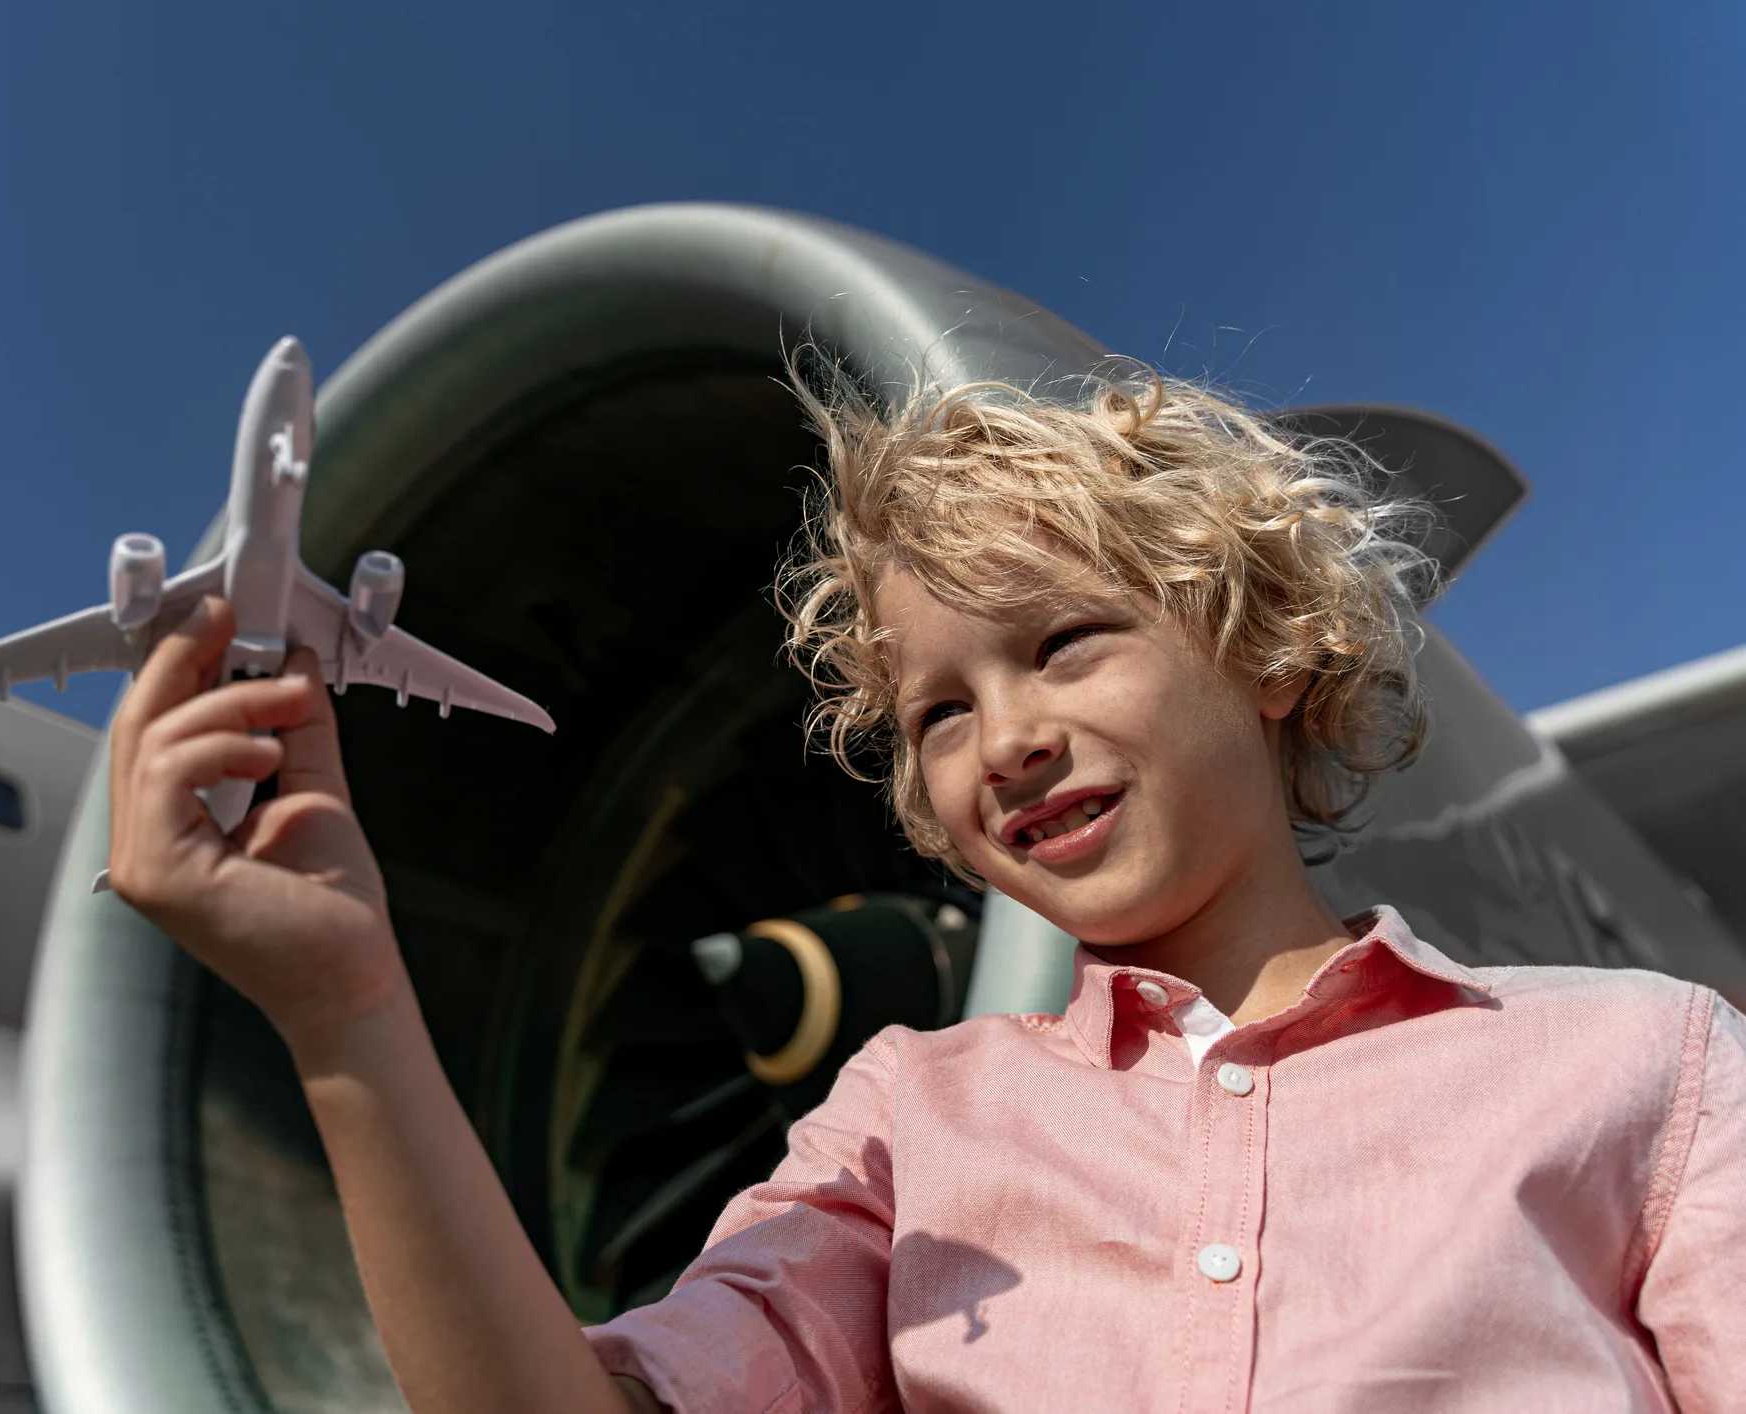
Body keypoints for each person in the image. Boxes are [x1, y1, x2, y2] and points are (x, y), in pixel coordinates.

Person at [101, 351, 1744, 1412]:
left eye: (1064, 643)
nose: (1004, 740)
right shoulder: (904, 1122)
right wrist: (343, 1004)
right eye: (935, 712)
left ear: (1265, 653)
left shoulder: (1643, 1067)